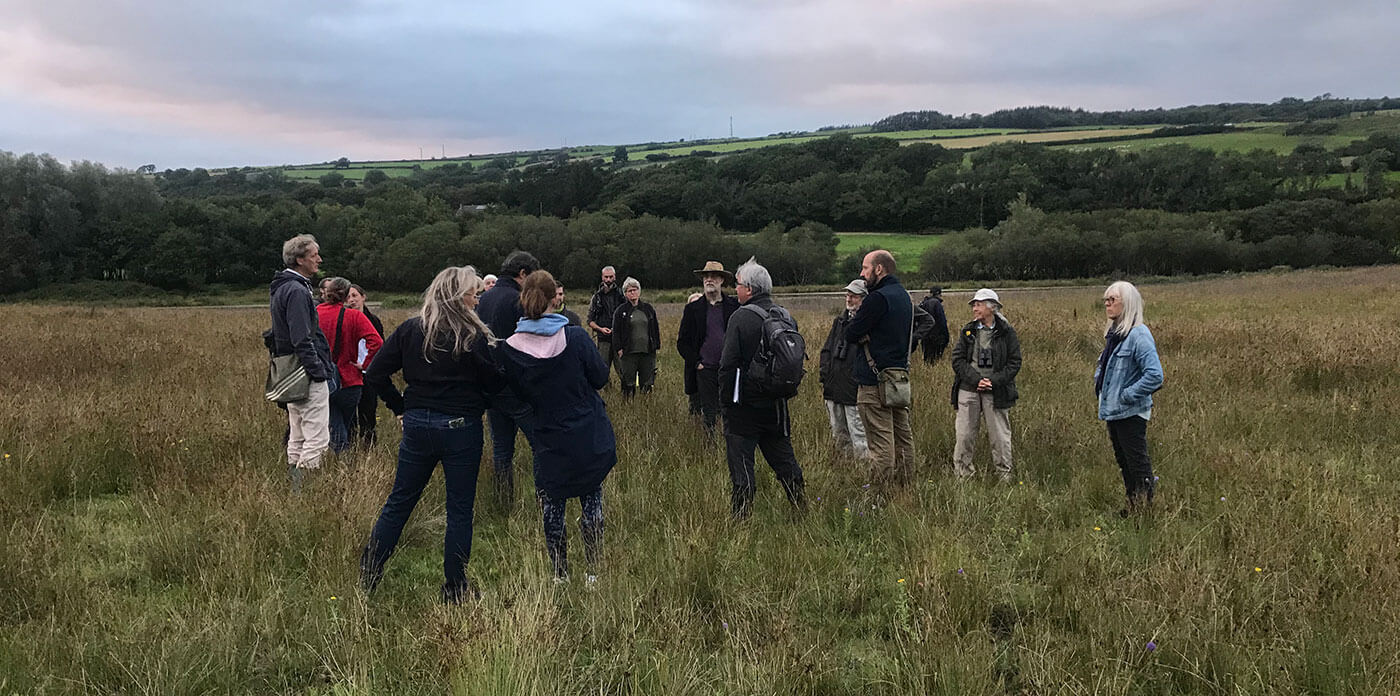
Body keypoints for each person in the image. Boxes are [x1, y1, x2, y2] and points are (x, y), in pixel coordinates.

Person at [360, 266, 504, 603]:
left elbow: (376, 372)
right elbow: (495, 383)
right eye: (472, 292)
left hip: (418, 425)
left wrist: (401, 408)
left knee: (399, 502)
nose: (477, 298)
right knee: (458, 510)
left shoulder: (413, 329)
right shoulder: (472, 336)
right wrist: (480, 398)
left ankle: (368, 576)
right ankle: (455, 588)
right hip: (461, 428)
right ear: (458, 296)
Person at [496, 270, 616, 584]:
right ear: (554, 300)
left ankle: (560, 574)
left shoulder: (510, 348)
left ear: (523, 301)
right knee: (592, 501)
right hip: (586, 432)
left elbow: (509, 394)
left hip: (546, 436)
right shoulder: (574, 337)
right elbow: (601, 378)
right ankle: (593, 572)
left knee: (553, 505)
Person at [719, 257, 805, 519]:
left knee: (742, 467)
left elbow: (727, 364)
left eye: (738, 284)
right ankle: (801, 508)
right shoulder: (785, 316)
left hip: (743, 408)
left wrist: (725, 403)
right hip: (777, 406)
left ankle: (741, 521)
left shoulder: (740, 317)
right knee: (785, 462)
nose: (735, 289)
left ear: (750, 289)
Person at [268, 234, 335, 490]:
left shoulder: (283, 286)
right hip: (304, 372)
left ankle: (294, 488)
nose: (319, 259)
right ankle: (305, 493)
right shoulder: (296, 290)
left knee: (297, 434)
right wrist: (318, 371)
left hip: (289, 370)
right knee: (316, 438)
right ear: (299, 260)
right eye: (313, 255)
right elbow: (301, 338)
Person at [476, 250, 542, 507]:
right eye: (532, 277)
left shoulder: (484, 298)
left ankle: (503, 502)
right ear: (522, 274)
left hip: (490, 386)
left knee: (502, 449)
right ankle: (544, 498)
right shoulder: (518, 300)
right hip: (516, 387)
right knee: (540, 442)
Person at [845, 250, 916, 486]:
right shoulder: (904, 296)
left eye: (865, 268)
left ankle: (877, 497)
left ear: (879, 269)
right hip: (898, 379)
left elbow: (851, 333)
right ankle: (905, 489)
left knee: (881, 444)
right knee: (903, 438)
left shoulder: (877, 298)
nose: (861, 273)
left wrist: (861, 328)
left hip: (874, 381)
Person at [1095, 281, 1164, 515]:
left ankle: (1145, 511)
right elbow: (1104, 367)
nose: (1107, 303)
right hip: (1114, 411)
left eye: (1112, 299)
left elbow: (1155, 375)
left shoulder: (1138, 335)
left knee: (1137, 463)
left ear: (1128, 303)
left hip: (1130, 412)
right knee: (1124, 462)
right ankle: (1133, 507)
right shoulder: (1115, 335)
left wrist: (1127, 395)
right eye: (1106, 299)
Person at [949, 288, 1022, 481]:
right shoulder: (968, 330)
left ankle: (1004, 476)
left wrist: (993, 381)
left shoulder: (1006, 332)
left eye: (979, 304)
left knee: (1000, 437)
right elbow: (957, 360)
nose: (974, 308)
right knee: (964, 435)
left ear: (992, 307)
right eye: (974, 304)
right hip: (968, 389)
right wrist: (976, 380)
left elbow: (1014, 362)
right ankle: (963, 476)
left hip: (997, 392)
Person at [318, 277, 382, 453]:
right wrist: (364, 365)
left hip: (323, 379)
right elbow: (376, 342)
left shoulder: (315, 313)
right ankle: (346, 460)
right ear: (346, 297)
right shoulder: (354, 316)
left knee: (335, 424)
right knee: (345, 425)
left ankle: (342, 460)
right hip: (351, 380)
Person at [676, 261, 740, 436]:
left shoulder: (734, 306)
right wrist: (696, 363)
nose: (709, 280)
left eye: (713, 276)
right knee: (709, 411)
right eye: (706, 277)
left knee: (729, 408)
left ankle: (729, 441)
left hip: (729, 369)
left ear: (722, 280)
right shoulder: (693, 309)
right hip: (705, 370)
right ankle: (710, 445)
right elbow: (682, 342)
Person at [819, 279, 870, 459]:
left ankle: (863, 475)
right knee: (839, 434)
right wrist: (824, 373)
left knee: (859, 436)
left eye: (854, 296)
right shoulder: (840, 321)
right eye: (847, 295)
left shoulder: (868, 324)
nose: (849, 300)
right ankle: (846, 470)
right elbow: (827, 349)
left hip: (854, 389)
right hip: (833, 387)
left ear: (864, 299)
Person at [345, 283, 386, 447]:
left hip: (369, 370)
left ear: (363, 297)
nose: (351, 300)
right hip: (350, 370)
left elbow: (381, 345)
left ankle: (369, 444)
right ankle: (351, 444)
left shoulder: (374, 320)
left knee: (369, 410)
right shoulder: (345, 319)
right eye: (348, 297)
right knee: (349, 412)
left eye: (355, 295)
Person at [610, 277, 661, 398]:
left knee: (647, 382)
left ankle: (645, 405)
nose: (633, 293)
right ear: (625, 294)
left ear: (639, 291)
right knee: (628, 382)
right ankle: (628, 405)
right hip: (628, 353)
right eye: (629, 290)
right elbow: (616, 332)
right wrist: (619, 349)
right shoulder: (620, 311)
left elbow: (655, 328)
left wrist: (656, 346)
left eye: (635, 289)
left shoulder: (648, 309)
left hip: (647, 352)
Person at [586, 266, 625, 383]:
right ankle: (607, 393)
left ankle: (628, 393)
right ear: (602, 277)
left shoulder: (621, 295)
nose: (608, 280)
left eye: (611, 277)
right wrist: (600, 329)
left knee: (623, 369)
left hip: (620, 339)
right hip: (603, 340)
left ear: (615, 277)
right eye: (606, 277)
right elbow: (590, 321)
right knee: (602, 369)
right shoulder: (596, 297)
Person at [918, 287, 950, 363]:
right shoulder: (937, 304)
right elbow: (942, 323)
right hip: (937, 338)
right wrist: (946, 337)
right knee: (936, 361)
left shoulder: (923, 303)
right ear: (939, 294)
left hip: (925, 338)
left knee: (927, 362)